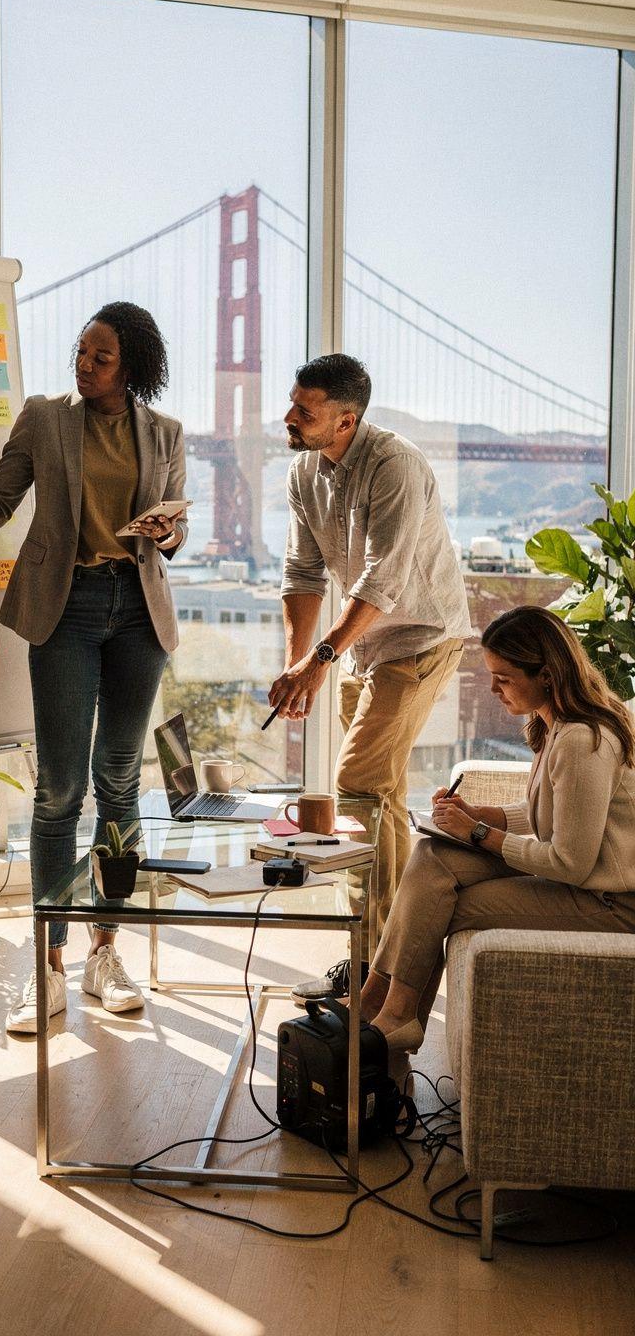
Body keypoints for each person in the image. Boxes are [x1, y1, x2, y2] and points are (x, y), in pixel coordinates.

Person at [0, 301, 187, 1033]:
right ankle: (46, 966)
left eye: (101, 357)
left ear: (135, 368)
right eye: (81, 352)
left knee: (120, 780)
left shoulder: (166, 434)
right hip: (67, 606)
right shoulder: (46, 417)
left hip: (139, 614)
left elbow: (173, 542)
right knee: (59, 788)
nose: (83, 366)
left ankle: (105, 952)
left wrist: (167, 532)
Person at [355, 605, 635, 1055]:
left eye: (503, 677)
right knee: (430, 855)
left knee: (449, 903)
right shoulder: (557, 724)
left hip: (611, 903)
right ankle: (380, 1003)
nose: (492, 689)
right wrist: (483, 814)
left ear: (546, 673)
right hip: (590, 885)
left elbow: (571, 862)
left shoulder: (583, 740)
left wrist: (480, 834)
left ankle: (395, 1013)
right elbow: (552, 809)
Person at [268, 353, 471, 958]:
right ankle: (401, 948)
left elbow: (386, 577)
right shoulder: (305, 472)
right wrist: (296, 663)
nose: (289, 417)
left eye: (305, 411)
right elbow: (303, 571)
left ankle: (366, 958)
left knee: (357, 785)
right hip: (363, 646)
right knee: (384, 798)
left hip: (420, 638)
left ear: (346, 421)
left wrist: (320, 660)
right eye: (293, 403)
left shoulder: (395, 465)